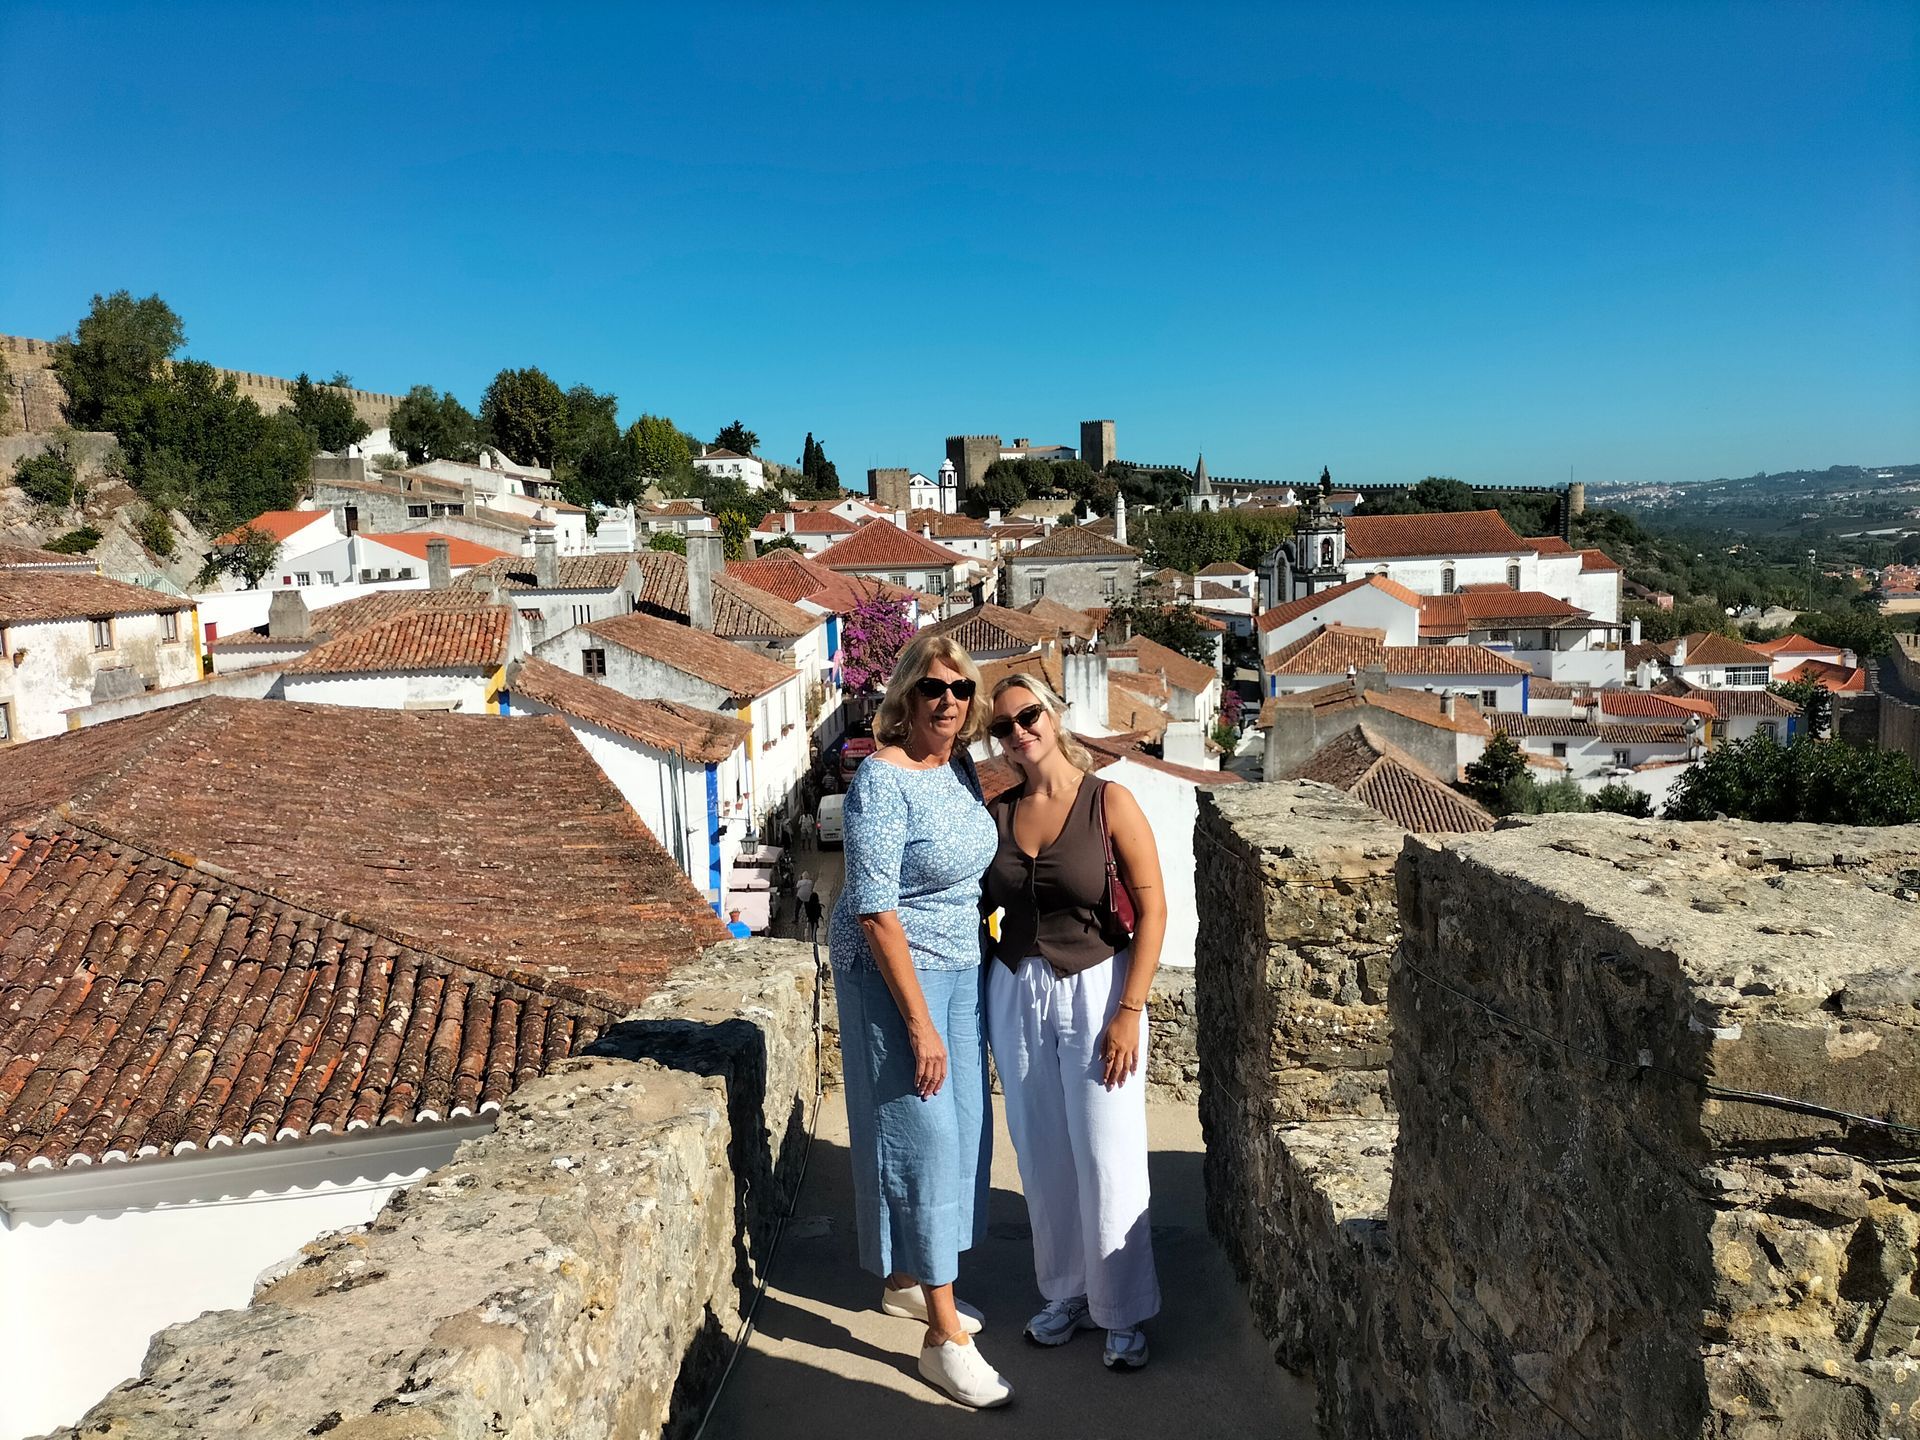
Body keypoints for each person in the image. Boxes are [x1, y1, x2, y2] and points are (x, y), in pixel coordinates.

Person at [827, 633, 1010, 1408]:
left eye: (962, 690)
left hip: (961, 967)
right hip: (892, 974)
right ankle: (942, 1334)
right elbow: (875, 910)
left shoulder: (960, 769)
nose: (948, 702)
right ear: (906, 696)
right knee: (922, 1135)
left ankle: (906, 1277)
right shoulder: (881, 779)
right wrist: (918, 1025)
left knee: (963, 1128)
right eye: (934, 688)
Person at [980, 672, 1165, 1371]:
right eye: (1003, 726)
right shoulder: (997, 812)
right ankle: (1066, 1294)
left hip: (1097, 987)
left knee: (1107, 1150)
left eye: (1028, 715)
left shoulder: (1108, 801)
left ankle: (1122, 1308)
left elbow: (1153, 909)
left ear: (1053, 716)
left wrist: (1128, 1012)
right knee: (1041, 1152)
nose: (1018, 731)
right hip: (1015, 987)